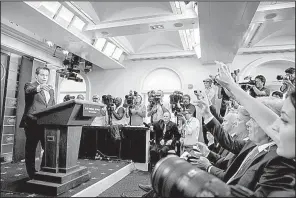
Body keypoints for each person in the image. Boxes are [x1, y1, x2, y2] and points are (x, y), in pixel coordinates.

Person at [212, 61, 295, 196]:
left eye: (284, 121)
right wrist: (232, 86)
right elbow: (267, 119)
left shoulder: (282, 163)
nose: (273, 126)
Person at [19, 67, 55, 179]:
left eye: (46, 75)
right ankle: (32, 173)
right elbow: (28, 91)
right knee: (31, 150)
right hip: (32, 123)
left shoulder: (51, 90)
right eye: (42, 75)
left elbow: (53, 105)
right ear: (36, 76)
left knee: (49, 148)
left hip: (46, 124)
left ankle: (44, 169)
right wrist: (39, 87)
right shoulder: (30, 85)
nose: (44, 77)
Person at [138, 111, 180, 193]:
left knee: (162, 151)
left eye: (167, 116)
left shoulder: (173, 125)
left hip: (167, 144)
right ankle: (154, 167)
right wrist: (150, 127)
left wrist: (171, 140)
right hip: (158, 143)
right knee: (153, 150)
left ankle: (160, 168)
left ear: (170, 117)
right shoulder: (159, 123)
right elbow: (151, 124)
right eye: (164, 116)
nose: (165, 118)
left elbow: (178, 135)